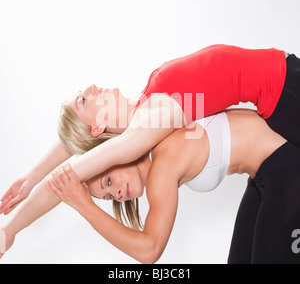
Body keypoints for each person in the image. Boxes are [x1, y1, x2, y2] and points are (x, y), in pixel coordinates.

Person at [1, 45, 299, 216]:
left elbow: (72, 144)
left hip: (283, 87)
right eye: (83, 99)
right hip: (284, 91)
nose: (91, 88)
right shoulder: (143, 129)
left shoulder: (144, 102)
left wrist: (28, 179)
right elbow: (67, 176)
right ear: (97, 127)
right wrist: (9, 230)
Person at [1, 109, 300, 263]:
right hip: (264, 176)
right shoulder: (146, 121)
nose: (117, 194)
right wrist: (32, 178)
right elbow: (81, 136)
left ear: (113, 152)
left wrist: (84, 205)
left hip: (287, 166)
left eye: (108, 181)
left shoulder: (162, 165)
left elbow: (150, 251)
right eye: (108, 196)